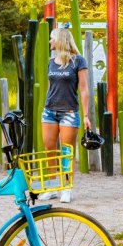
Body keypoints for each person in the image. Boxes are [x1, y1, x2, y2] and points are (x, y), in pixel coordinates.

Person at [40, 26, 93, 203]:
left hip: (69, 112)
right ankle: (52, 186)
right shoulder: (51, 61)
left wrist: (85, 115)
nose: (50, 42)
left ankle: (67, 188)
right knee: (50, 150)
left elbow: (84, 89)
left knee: (66, 151)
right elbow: (51, 86)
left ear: (60, 40)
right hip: (49, 111)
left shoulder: (78, 61)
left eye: (51, 39)